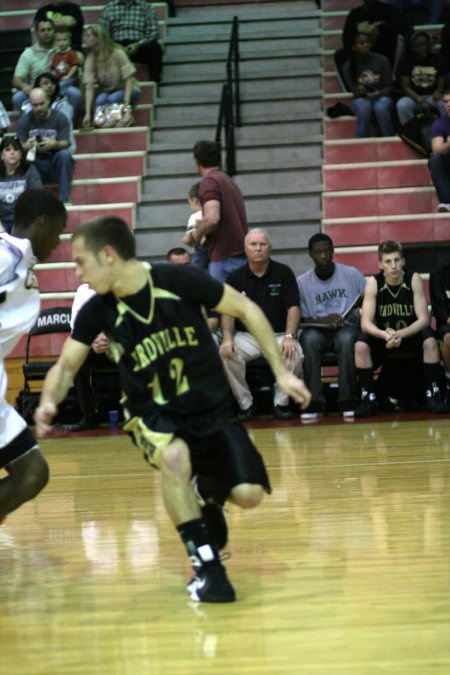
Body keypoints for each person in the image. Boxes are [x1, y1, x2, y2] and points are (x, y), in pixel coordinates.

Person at [34, 215, 311, 603]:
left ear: (109, 255)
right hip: (152, 413)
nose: (76, 270)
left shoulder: (179, 281)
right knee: (176, 458)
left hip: (209, 407)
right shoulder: (97, 309)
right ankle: (208, 570)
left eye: (81, 260)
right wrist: (48, 401)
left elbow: (247, 310)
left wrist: (281, 372)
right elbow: (66, 366)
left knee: (249, 494)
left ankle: (207, 496)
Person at [0, 188, 67, 525]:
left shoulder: (19, 261)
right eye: (57, 231)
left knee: (32, 473)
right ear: (42, 223)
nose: (58, 241)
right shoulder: (4, 257)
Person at [354, 240, 448, 416]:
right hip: (384, 338)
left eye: (397, 260)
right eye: (388, 262)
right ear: (380, 264)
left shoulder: (413, 279)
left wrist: (400, 334)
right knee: (360, 346)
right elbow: (365, 322)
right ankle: (368, 397)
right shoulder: (374, 282)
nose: (393, 266)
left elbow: (423, 319)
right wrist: (384, 335)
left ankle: (434, 394)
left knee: (430, 341)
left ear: (403, 261)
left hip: (409, 335)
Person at [220, 228, 304, 422]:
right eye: (253, 244)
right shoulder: (235, 277)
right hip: (247, 337)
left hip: (278, 334)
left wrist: (290, 336)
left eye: (262, 244)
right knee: (226, 353)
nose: (258, 248)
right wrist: (227, 338)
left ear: (270, 248)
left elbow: (293, 308)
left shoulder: (284, 272)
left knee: (295, 352)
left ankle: (281, 403)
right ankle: (246, 404)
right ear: (245, 249)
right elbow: (227, 312)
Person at [297, 233, 367, 421]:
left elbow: (370, 296)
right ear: (310, 254)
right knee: (308, 339)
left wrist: (359, 312)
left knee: (346, 340)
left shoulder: (351, 274)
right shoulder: (302, 283)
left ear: (333, 251)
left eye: (326, 251)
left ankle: (348, 401)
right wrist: (322, 320)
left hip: (345, 328)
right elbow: (299, 318)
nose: (323, 256)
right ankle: (314, 402)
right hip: (317, 330)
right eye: (318, 252)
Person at [185, 140, 247, 284]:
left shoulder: (209, 181)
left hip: (224, 257)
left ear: (197, 163)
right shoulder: (227, 180)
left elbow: (212, 219)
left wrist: (195, 235)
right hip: (238, 254)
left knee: (220, 305)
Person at [66, 283, 114, 431]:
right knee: (76, 359)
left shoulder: (118, 285)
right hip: (92, 345)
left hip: (118, 343)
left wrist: (109, 339)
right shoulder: (82, 290)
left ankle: (138, 411)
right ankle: (89, 414)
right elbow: (75, 326)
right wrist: (92, 340)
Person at [334, 0, 410, 92]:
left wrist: (381, 28)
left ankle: (391, 79)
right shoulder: (355, 14)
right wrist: (360, 39)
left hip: (385, 52)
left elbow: (405, 30)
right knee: (340, 55)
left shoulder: (389, 10)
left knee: (398, 39)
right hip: (361, 56)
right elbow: (347, 40)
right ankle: (354, 88)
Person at [12, 19, 81, 118]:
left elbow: (76, 66)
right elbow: (16, 80)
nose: (46, 33)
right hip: (36, 90)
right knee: (17, 97)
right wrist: (25, 87)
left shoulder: (63, 49)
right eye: (43, 30)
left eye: (49, 29)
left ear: (54, 31)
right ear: (37, 33)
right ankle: (31, 125)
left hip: (59, 88)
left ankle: (68, 125)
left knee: (75, 93)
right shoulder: (28, 53)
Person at [16, 87, 75, 205]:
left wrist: (54, 144)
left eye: (42, 104)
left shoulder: (60, 118)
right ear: (30, 104)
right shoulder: (24, 120)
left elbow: (66, 143)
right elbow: (18, 146)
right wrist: (26, 145)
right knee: (23, 160)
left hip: (54, 162)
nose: (39, 108)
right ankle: (35, 203)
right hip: (35, 162)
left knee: (65, 155)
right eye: (35, 105)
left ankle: (64, 199)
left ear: (48, 100)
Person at [82, 24, 140, 129]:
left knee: (113, 98)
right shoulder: (91, 58)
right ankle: (111, 122)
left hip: (128, 91)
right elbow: (89, 87)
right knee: (100, 100)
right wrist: (87, 114)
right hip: (109, 91)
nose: (84, 38)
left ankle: (123, 119)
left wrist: (126, 107)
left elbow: (129, 80)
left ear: (98, 37)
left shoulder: (117, 53)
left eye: (88, 36)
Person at [342, 32, 394, 138]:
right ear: (354, 47)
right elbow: (354, 91)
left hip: (382, 96)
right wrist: (359, 90)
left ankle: (389, 139)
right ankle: (360, 142)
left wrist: (379, 93)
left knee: (381, 107)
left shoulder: (382, 60)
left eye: (368, 42)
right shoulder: (348, 66)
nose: (365, 45)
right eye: (361, 43)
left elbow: (390, 86)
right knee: (364, 107)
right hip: (362, 98)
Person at [99, 0, 163, 83]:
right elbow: (102, 33)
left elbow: (153, 33)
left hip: (139, 45)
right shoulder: (109, 7)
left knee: (155, 47)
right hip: (116, 45)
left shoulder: (146, 6)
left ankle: (155, 82)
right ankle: (108, 83)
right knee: (101, 47)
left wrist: (138, 44)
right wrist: (116, 46)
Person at [396, 31, 446, 126]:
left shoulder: (439, 59)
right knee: (402, 105)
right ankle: (410, 135)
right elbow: (405, 87)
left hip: (432, 97)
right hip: (414, 97)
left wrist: (438, 91)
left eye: (425, 44)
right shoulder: (405, 61)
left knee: (447, 103)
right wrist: (421, 100)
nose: (423, 47)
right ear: (412, 48)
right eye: (419, 45)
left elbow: (441, 84)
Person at [0, 136, 43, 234]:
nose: (12, 152)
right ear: (1, 155)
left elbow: (38, 197)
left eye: (16, 149)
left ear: (20, 154)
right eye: (8, 149)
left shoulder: (30, 171)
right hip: (2, 222)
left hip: (24, 221)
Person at [428, 90, 450, 212]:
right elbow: (436, 149)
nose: (448, 104)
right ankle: (447, 202)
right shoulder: (440, 123)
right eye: (446, 101)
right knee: (435, 160)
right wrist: (447, 145)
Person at [429, 261, 450, 383]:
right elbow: (439, 311)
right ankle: (448, 378)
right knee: (448, 337)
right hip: (447, 323)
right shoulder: (439, 274)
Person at [181, 182, 210, 271]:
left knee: (196, 271)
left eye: (190, 203)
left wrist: (184, 239)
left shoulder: (195, 216)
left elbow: (189, 237)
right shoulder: (212, 213)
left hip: (202, 251)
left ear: (194, 201)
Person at [51, 28, 80, 96]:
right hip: (59, 79)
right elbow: (53, 69)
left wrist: (68, 76)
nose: (62, 42)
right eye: (59, 40)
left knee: (61, 85)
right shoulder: (55, 55)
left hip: (72, 78)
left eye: (64, 40)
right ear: (56, 43)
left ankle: (59, 97)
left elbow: (75, 66)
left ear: (69, 41)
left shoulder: (71, 53)